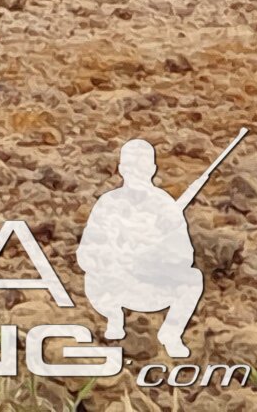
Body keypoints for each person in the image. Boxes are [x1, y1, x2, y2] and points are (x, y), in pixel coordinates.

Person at [77, 137, 209, 359]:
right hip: (113, 284)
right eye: (131, 166)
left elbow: (184, 256)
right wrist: (115, 257)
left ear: (152, 169)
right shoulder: (108, 203)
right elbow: (86, 253)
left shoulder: (165, 206)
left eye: (142, 166)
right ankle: (114, 317)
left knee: (193, 278)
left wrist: (155, 255)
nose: (136, 172)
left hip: (151, 285)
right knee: (92, 277)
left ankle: (171, 334)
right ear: (121, 169)